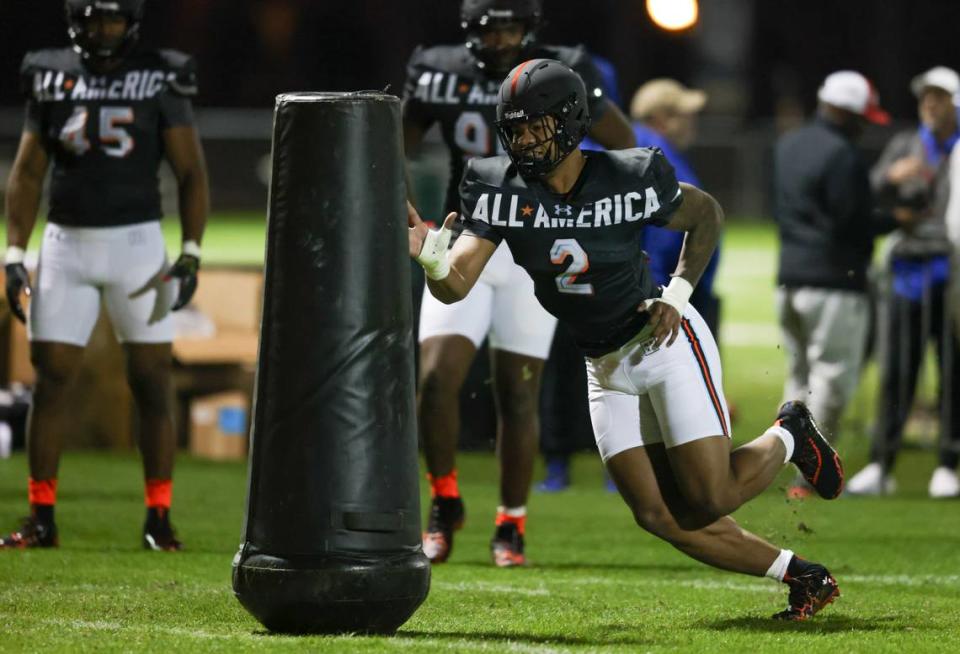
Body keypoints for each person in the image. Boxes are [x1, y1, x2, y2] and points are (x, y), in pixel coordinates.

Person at [409, 58, 844, 621]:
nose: (524, 140)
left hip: (662, 341)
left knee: (708, 498)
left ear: (568, 123)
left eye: (535, 126)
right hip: (602, 363)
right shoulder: (498, 187)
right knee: (660, 515)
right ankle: (804, 575)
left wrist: (679, 293)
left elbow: (706, 214)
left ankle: (789, 434)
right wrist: (430, 256)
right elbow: (455, 287)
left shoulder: (629, 174)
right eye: (514, 128)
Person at [402, 0, 635, 567]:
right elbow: (391, 146)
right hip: (473, 233)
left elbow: (621, 144)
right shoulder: (442, 71)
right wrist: (408, 211)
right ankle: (444, 500)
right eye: (491, 27)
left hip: (536, 244)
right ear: (469, 32)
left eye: (511, 26)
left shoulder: (560, 72)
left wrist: (591, 213)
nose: (503, 38)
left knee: (518, 390)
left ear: (530, 28)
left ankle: (511, 522)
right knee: (435, 379)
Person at [1, 0, 209, 550]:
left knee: (151, 382)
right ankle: (41, 518)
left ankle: (158, 519)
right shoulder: (51, 73)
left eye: (112, 19)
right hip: (66, 244)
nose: (102, 30)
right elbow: (27, 172)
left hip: (139, 246)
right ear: (74, 19)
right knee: (50, 382)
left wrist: (190, 251)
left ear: (132, 22)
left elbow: (191, 172)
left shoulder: (160, 73)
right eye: (93, 19)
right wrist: (13, 252)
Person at [537, 78, 723, 493]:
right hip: (640, 292)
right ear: (662, 117)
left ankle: (561, 467)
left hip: (574, 290)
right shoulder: (656, 153)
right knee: (642, 389)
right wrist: (664, 290)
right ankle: (624, 472)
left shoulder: (595, 151)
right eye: (685, 114)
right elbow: (669, 229)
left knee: (571, 380)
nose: (691, 123)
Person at [847, 66, 960, 498]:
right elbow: (872, 189)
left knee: (952, 370)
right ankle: (881, 462)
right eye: (926, 98)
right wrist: (891, 177)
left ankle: (948, 463)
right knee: (897, 370)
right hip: (909, 271)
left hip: (952, 271)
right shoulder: (906, 143)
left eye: (941, 98)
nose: (931, 106)